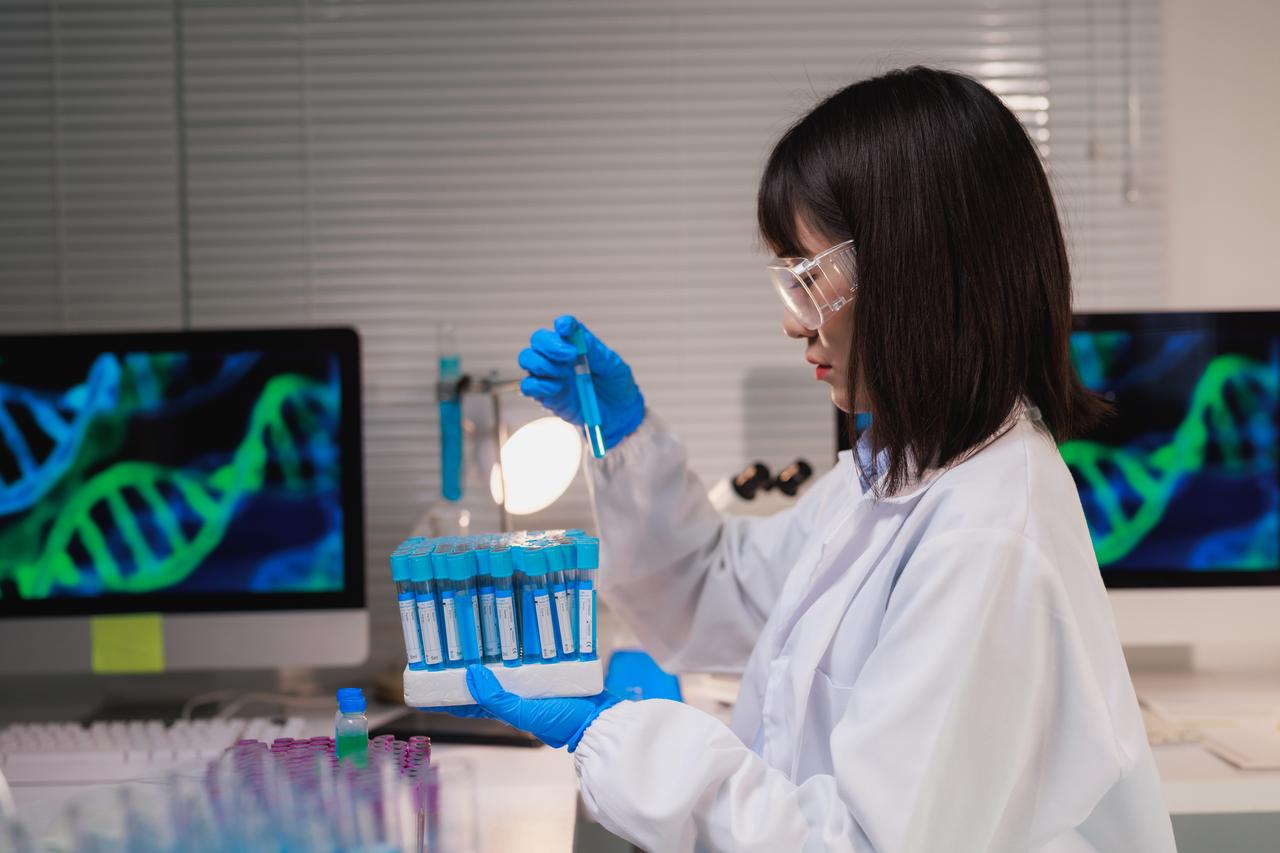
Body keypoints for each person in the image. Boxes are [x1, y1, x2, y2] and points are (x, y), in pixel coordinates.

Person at [454, 67, 1177, 852]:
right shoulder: (892, 475)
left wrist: (619, 741)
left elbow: (862, 844)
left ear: (916, 271)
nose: (794, 325)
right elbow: (711, 591)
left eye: (807, 278)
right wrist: (621, 435)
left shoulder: (986, 531)